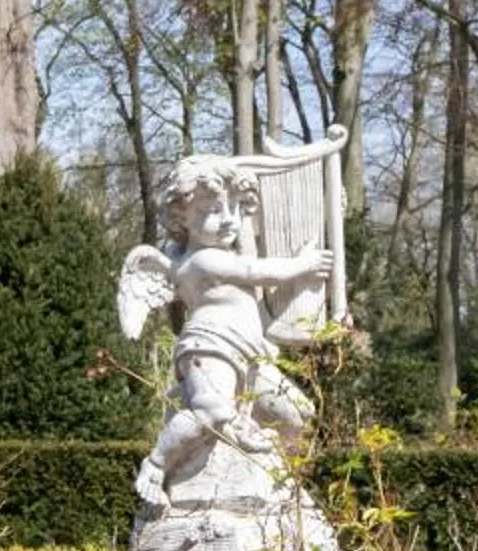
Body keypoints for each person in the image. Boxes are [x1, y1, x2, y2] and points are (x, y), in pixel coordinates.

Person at [119, 156, 339, 506]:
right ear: (181, 217)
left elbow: (255, 271)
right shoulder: (203, 260)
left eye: (235, 210)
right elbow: (257, 271)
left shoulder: (216, 252)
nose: (229, 221)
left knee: (298, 415)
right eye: (213, 211)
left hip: (249, 352)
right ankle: (157, 464)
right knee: (213, 411)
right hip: (209, 348)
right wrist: (304, 264)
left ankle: (281, 483)